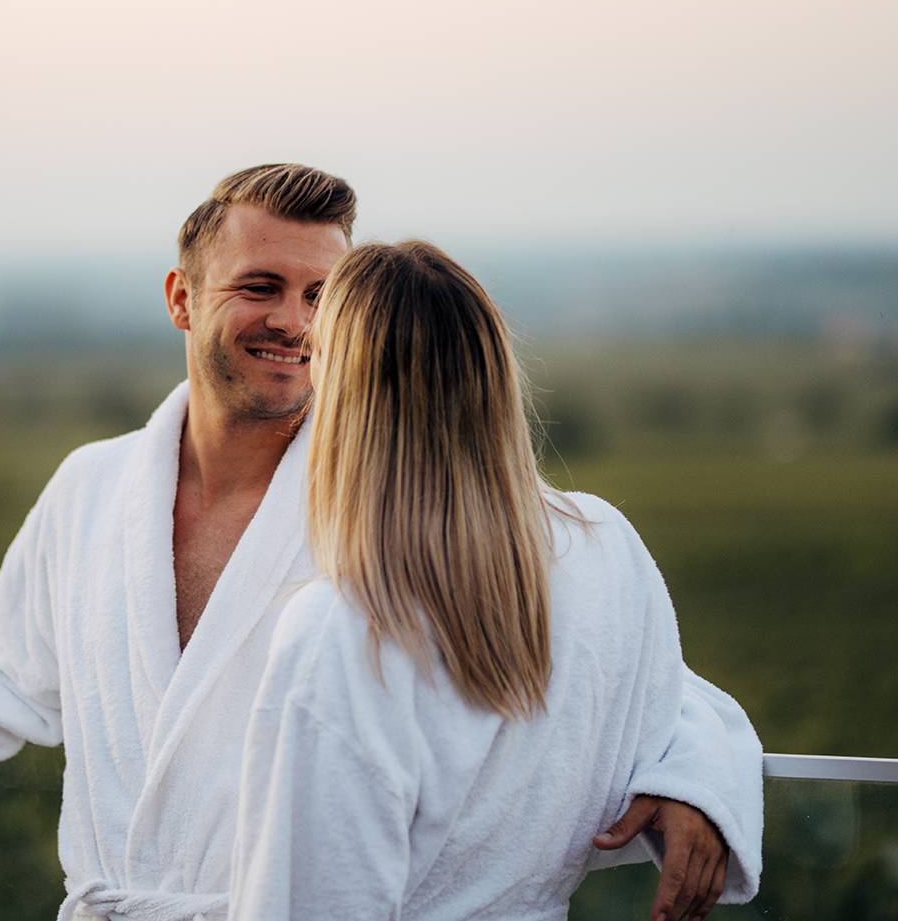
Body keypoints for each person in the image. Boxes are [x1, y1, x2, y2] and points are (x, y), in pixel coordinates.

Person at [0, 165, 761, 921]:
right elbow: (4, 676)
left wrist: (697, 778)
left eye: (322, 296)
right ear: (182, 297)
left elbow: (600, 637)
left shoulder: (398, 500)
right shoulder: (93, 491)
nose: (296, 323)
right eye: (260, 286)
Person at [229, 240, 748, 920]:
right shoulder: (603, 549)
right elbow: (669, 693)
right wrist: (698, 778)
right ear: (494, 375)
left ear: (345, 391)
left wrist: (693, 781)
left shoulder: (345, 626)